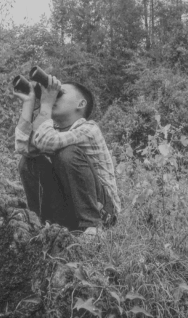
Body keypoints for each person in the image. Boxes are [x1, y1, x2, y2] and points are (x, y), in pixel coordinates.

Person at [13, 74, 121, 235]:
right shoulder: (52, 130)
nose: (53, 96)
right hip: (71, 208)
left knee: (68, 153)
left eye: (60, 93)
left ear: (81, 104)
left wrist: (46, 104)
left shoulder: (89, 129)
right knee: (29, 162)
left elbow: (48, 142)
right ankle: (44, 226)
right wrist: (29, 103)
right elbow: (24, 148)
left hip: (103, 211)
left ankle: (93, 227)